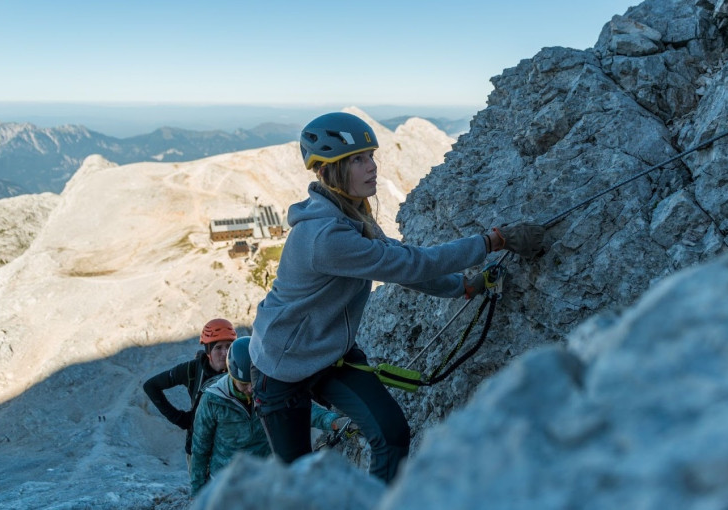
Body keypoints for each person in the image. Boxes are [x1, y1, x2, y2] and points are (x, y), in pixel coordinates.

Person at [248, 111, 544, 483]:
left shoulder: (351, 215)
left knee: (391, 434)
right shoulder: (326, 237)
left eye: (371, 156)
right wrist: (491, 241)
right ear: (327, 172)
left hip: (326, 354)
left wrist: (462, 287)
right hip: (279, 367)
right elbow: (412, 265)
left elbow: (401, 266)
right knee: (298, 481)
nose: (372, 167)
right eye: (357, 160)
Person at [190, 337, 352, 495]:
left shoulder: (269, 389)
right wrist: (197, 493)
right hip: (227, 485)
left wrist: (333, 421)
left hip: (262, 479)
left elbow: (299, 411)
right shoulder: (212, 399)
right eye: (244, 383)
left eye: (253, 380)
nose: (251, 389)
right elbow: (200, 448)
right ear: (232, 375)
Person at [143, 318, 237, 467]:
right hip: (199, 451)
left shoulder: (239, 370)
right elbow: (151, 386)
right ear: (208, 351)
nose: (225, 353)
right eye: (218, 347)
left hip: (232, 451)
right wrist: (179, 418)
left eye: (229, 346)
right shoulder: (192, 370)